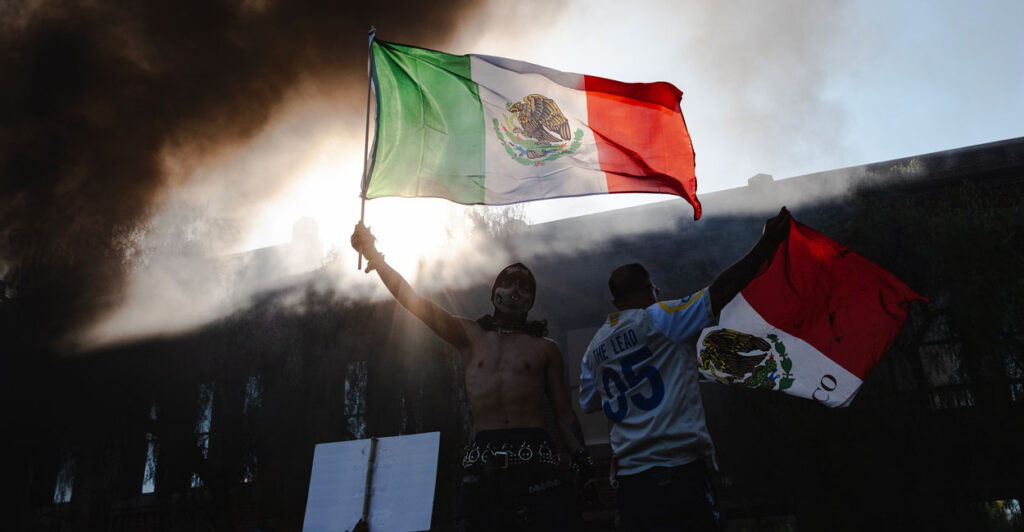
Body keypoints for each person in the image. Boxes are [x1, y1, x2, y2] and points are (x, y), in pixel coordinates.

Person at [351, 223, 593, 531]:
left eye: (524, 287)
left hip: (535, 457)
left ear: (530, 302)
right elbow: (414, 302)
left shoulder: (546, 349)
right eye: (509, 283)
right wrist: (374, 255)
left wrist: (583, 460)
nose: (515, 290)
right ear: (494, 293)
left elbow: (563, 412)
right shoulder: (468, 335)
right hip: (484, 458)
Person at [579, 207, 791, 532]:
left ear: (616, 303)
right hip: (677, 471)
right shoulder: (660, 318)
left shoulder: (593, 349)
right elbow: (721, 290)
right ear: (649, 291)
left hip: (630, 484)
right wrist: (767, 243)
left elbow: (589, 402)